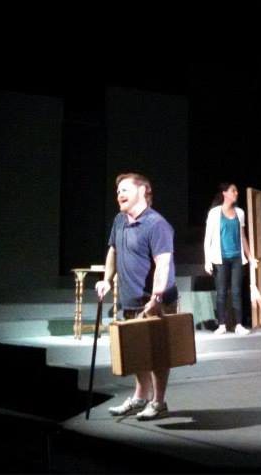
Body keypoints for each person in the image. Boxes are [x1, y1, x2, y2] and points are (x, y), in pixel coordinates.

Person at [96, 173, 178, 421]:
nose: (119, 194)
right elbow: (113, 250)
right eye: (117, 191)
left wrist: (157, 297)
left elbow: (163, 263)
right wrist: (107, 279)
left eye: (124, 190)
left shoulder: (157, 224)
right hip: (130, 299)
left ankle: (158, 402)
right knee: (137, 352)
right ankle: (140, 398)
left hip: (155, 300)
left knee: (158, 353)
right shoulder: (120, 220)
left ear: (143, 191)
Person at [203, 182, 255, 335]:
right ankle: (222, 325)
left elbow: (243, 236)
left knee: (237, 292)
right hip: (220, 258)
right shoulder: (214, 213)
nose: (236, 193)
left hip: (237, 258)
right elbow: (208, 238)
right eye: (233, 190)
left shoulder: (240, 213)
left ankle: (239, 325)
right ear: (225, 193)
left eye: (236, 191)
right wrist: (207, 260)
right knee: (221, 292)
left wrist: (250, 256)